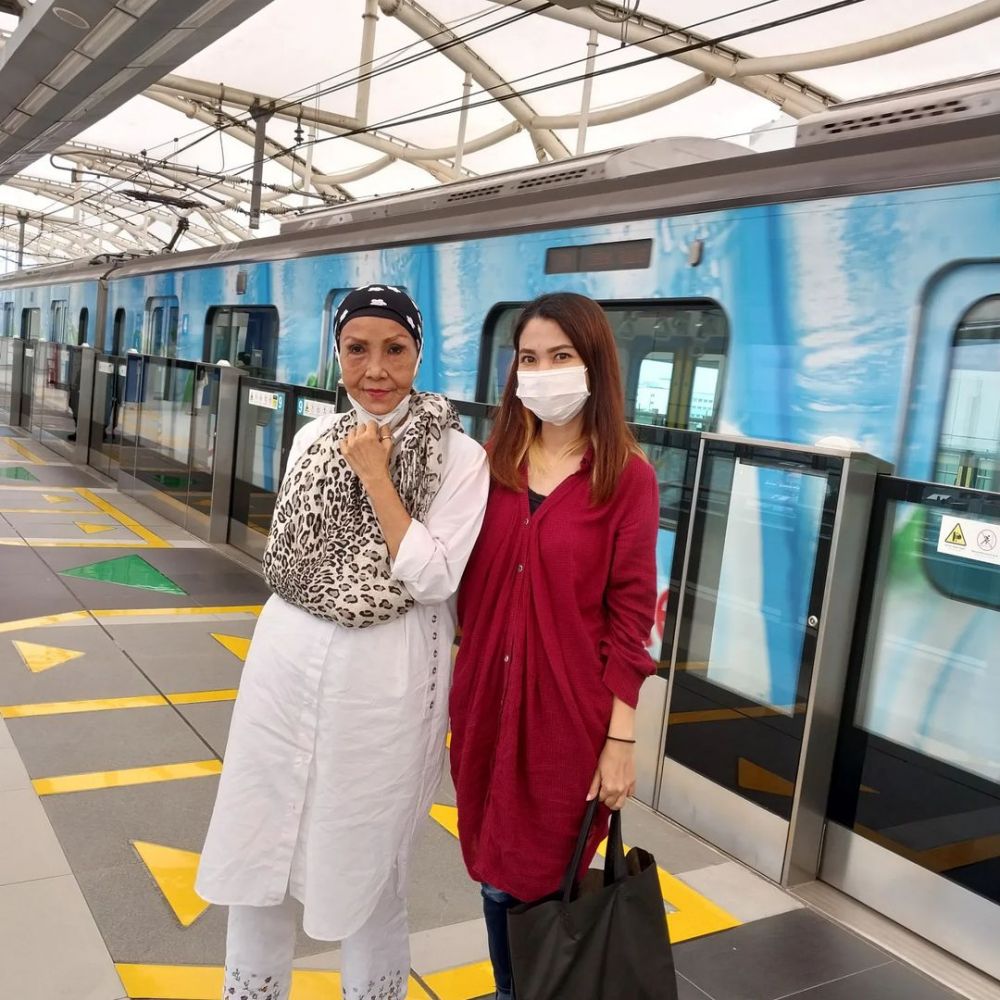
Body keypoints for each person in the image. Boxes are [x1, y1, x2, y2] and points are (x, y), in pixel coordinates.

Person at [196, 284, 490, 1000]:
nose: (376, 370)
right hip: (284, 666)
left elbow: (431, 575)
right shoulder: (308, 437)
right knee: (259, 857)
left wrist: (376, 477)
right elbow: (288, 564)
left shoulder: (459, 456)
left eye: (394, 349)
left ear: (419, 352)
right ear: (338, 354)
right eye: (357, 350)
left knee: (368, 865)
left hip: (387, 682)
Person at [449, 292, 660, 1000]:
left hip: (567, 725)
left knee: (540, 885)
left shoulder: (627, 478)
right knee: (494, 877)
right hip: (483, 708)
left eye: (561, 357)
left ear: (594, 366)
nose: (543, 373)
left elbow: (632, 617)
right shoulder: (487, 465)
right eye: (529, 359)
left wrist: (620, 741)